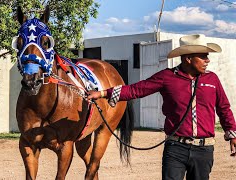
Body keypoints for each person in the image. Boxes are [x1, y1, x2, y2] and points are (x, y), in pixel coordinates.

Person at [87, 34, 236, 180]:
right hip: (176, 149)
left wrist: (233, 134)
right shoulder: (167, 77)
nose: (207, 60)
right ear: (188, 59)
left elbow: (223, 108)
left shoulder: (212, 79)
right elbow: (136, 89)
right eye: (203, 56)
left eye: (207, 56)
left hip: (204, 150)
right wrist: (102, 93)